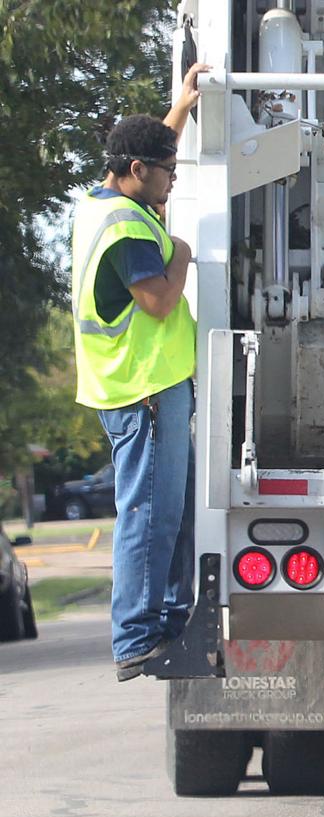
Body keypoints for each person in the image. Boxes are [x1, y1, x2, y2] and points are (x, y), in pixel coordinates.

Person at [71, 63, 209, 681]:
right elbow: (157, 300)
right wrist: (180, 255)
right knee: (149, 515)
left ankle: (168, 622)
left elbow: (150, 148)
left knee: (170, 513)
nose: (173, 182)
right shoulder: (128, 228)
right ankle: (136, 638)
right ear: (136, 172)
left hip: (142, 385)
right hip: (143, 390)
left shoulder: (106, 199)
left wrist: (178, 107)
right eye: (167, 173)